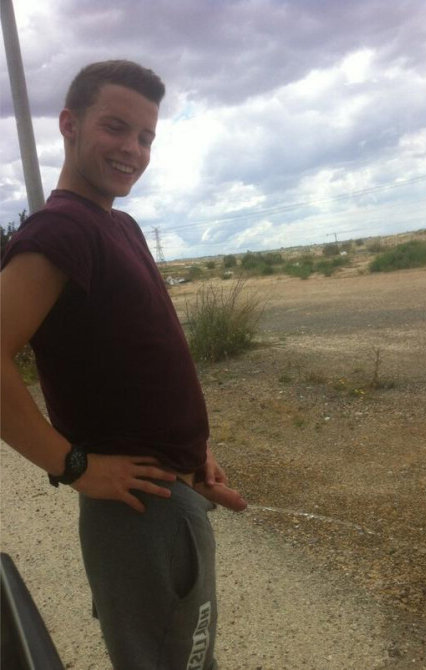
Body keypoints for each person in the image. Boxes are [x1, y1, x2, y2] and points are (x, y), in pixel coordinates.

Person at [1, 60, 246, 670]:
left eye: (146, 137)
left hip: (170, 491)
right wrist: (74, 466)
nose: (133, 149)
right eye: (115, 127)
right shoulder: (61, 231)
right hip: (139, 512)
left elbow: (138, 357)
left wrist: (193, 455)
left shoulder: (119, 226)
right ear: (70, 124)